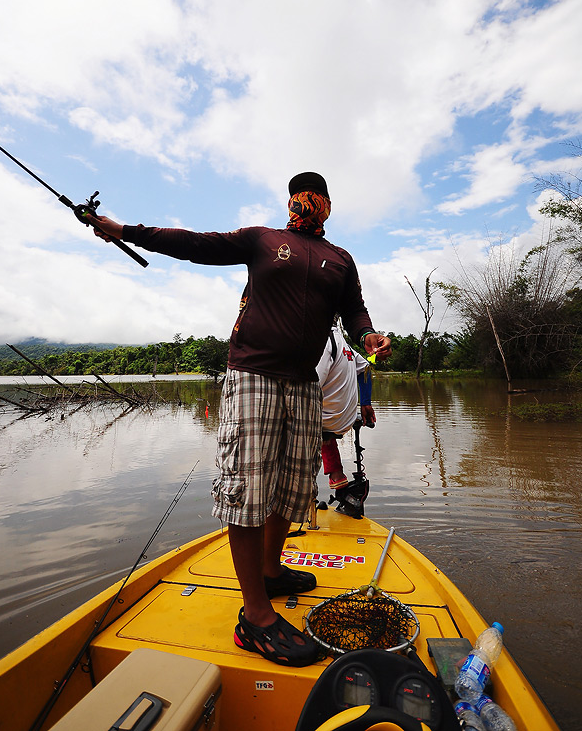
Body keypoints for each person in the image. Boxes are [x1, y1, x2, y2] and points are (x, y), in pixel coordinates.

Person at [88, 171, 391, 667]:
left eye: (315, 193)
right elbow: (192, 244)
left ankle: (271, 572)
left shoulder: (341, 259)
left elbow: (355, 313)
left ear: (329, 204)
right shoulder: (263, 241)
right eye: (299, 193)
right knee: (249, 485)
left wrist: (370, 336)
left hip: (302, 383)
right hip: (253, 374)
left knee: (291, 485)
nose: (307, 200)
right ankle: (256, 618)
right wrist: (126, 231)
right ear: (290, 201)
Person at [316, 323, 376, 490]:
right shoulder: (344, 343)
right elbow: (365, 368)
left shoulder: (321, 341)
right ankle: (337, 475)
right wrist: (366, 403)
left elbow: (311, 387)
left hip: (326, 421)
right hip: (346, 420)